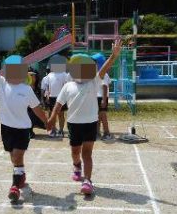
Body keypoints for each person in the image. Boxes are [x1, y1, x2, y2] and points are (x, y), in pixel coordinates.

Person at [0, 36, 50, 202]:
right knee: (13, 157)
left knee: (17, 156)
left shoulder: (26, 89)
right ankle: (20, 176)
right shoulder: (1, 83)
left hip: (23, 129)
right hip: (6, 128)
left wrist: (47, 122)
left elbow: (37, 109)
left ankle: (15, 187)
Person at [47, 39, 122, 195]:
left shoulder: (93, 82)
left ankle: (87, 180)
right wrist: (52, 118)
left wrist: (113, 56)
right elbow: (58, 104)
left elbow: (104, 69)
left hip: (90, 124)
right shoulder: (68, 86)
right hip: (74, 125)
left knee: (87, 153)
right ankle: (76, 165)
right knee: (75, 152)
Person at [45, 55, 69, 137]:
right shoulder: (49, 75)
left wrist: (65, 96)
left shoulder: (64, 74)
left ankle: (61, 130)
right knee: (52, 114)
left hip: (61, 97)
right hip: (52, 97)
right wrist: (47, 95)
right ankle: (54, 130)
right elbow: (47, 87)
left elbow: (66, 85)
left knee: (61, 115)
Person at [91, 53, 113, 140]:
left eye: (95, 62)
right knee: (97, 116)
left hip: (101, 98)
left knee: (103, 116)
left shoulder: (103, 74)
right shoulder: (95, 74)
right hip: (96, 97)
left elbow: (104, 87)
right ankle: (97, 132)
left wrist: (104, 100)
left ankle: (107, 133)